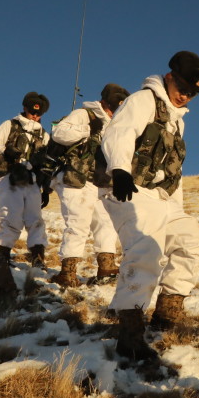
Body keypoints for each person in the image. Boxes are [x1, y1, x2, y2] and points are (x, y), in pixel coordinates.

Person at [97, 52, 199, 362]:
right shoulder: (143, 100)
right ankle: (130, 336)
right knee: (145, 252)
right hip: (128, 189)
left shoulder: (177, 122)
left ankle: (166, 314)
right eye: (185, 86)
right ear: (171, 76)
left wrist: (178, 208)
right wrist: (120, 169)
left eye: (194, 92)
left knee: (194, 245)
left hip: (161, 197)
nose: (187, 95)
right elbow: (119, 132)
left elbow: (172, 171)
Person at [49, 83, 130, 287]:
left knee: (106, 222)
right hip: (76, 179)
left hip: (100, 182)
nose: (114, 112)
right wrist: (86, 130)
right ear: (103, 102)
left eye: (117, 108)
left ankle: (106, 267)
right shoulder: (84, 115)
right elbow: (58, 133)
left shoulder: (116, 124)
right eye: (112, 107)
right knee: (78, 223)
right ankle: (67, 273)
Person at [0, 91, 51, 268]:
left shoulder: (44, 135)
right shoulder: (10, 125)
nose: (35, 116)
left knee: (36, 220)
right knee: (11, 218)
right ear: (24, 108)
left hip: (32, 181)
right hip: (9, 177)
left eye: (39, 113)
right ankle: (2, 256)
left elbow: (48, 163)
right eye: (32, 111)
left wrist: (46, 188)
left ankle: (37, 258)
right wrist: (6, 151)